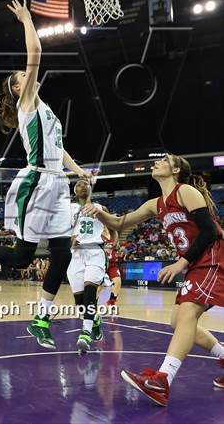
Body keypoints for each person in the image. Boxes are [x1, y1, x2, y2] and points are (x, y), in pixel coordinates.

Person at [0, 0, 91, 349]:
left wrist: (79, 172)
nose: (27, 75)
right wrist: (27, 19)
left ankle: (41, 318)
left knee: (62, 253)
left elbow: (57, 147)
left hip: (58, 182)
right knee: (21, 258)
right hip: (37, 184)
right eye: (21, 77)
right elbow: (36, 50)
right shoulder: (26, 102)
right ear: (18, 88)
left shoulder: (45, 110)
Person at [83, 154, 224, 405]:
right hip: (197, 263)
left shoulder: (186, 191)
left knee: (188, 315)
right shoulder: (155, 204)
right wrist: (99, 213)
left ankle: (162, 380)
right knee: (176, 321)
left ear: (176, 169)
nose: (157, 162)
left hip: (214, 257)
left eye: (164, 160)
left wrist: (182, 262)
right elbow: (119, 222)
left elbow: (210, 231)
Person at [68, 178, 117, 352]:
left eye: (85, 183)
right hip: (76, 255)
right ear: (74, 191)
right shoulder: (69, 209)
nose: (82, 186)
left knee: (90, 291)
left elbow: (114, 227)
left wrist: (112, 243)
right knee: (80, 302)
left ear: (90, 189)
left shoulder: (100, 207)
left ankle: (86, 333)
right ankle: (94, 319)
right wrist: (69, 241)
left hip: (95, 251)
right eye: (78, 184)